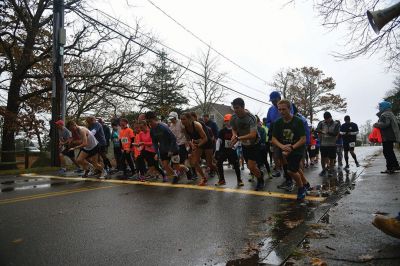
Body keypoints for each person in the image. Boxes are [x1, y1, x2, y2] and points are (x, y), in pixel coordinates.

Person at [271, 99, 311, 201]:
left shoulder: (298, 121)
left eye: (284, 109)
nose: (281, 112)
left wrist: (292, 147)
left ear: (290, 109)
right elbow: (274, 139)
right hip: (285, 149)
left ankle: (301, 188)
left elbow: (303, 139)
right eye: (279, 109)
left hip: (297, 149)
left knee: (291, 171)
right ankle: (306, 184)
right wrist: (282, 146)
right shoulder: (278, 122)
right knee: (296, 169)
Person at [230, 98, 265, 191]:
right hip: (244, 144)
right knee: (250, 167)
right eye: (234, 108)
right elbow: (233, 128)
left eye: (237, 108)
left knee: (251, 166)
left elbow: (253, 135)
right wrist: (234, 135)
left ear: (243, 107)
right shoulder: (233, 117)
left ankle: (260, 180)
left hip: (255, 143)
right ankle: (259, 173)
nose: (235, 110)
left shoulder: (251, 117)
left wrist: (238, 138)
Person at [145, 111, 188, 184]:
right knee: (165, 166)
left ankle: (187, 169)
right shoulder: (152, 130)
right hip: (163, 150)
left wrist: (171, 150)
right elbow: (154, 143)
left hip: (173, 148)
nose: (150, 124)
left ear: (154, 120)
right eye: (148, 123)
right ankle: (176, 176)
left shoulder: (163, 127)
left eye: (151, 122)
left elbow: (173, 138)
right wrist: (156, 153)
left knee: (176, 167)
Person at [265, 91, 294, 179]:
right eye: (272, 100)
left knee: (287, 155)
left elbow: (291, 117)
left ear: (279, 98)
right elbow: (268, 122)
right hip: (275, 134)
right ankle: (282, 171)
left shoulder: (288, 106)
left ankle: (290, 176)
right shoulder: (270, 109)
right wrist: (273, 126)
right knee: (277, 155)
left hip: (286, 133)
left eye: (274, 100)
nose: (273, 102)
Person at [181, 112, 213, 185]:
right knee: (195, 162)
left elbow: (205, 138)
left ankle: (220, 175)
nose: (182, 121)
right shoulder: (184, 128)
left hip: (207, 142)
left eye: (184, 119)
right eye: (181, 119)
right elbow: (188, 139)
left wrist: (197, 145)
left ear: (189, 119)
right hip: (198, 144)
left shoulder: (197, 125)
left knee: (209, 164)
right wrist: (192, 145)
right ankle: (204, 178)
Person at [214, 114, 244, 187]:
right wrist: (217, 150)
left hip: (232, 150)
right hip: (223, 150)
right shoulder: (222, 131)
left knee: (236, 165)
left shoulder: (236, 130)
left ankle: (239, 180)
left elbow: (239, 140)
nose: (227, 122)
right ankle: (222, 180)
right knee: (219, 163)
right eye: (226, 121)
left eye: (228, 120)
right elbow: (219, 140)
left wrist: (234, 147)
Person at [373, 101, 400, 173]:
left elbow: (385, 124)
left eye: (380, 106)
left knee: (387, 152)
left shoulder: (385, 114)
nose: (379, 108)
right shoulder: (390, 113)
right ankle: (395, 166)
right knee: (389, 151)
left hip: (387, 136)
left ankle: (391, 168)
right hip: (390, 135)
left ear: (384, 107)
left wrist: (376, 124)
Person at [168, 111, 194, 180]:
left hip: (183, 143)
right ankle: (187, 172)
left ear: (176, 117)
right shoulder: (171, 125)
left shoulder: (180, 122)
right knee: (177, 163)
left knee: (182, 161)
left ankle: (188, 173)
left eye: (172, 118)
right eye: (170, 119)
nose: (171, 120)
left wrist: (188, 142)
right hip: (175, 145)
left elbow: (186, 133)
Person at [316, 112, 340, 177]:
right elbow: (317, 129)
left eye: (328, 119)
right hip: (323, 144)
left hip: (332, 144)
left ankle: (330, 170)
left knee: (332, 158)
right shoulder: (321, 123)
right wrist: (322, 131)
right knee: (323, 158)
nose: (327, 120)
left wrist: (327, 133)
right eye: (325, 119)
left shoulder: (336, 124)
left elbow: (336, 133)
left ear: (331, 117)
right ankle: (323, 170)